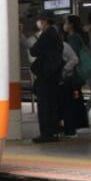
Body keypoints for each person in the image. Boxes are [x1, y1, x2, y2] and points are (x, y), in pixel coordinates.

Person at [29, 11, 64, 143]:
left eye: (40, 20)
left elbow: (34, 51)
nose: (39, 23)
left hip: (46, 75)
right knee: (52, 104)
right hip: (54, 75)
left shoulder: (47, 34)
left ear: (45, 21)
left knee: (44, 106)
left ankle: (46, 134)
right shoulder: (56, 34)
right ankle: (53, 132)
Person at [60, 15, 90, 137]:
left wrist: (65, 68)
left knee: (71, 100)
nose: (64, 25)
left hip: (73, 73)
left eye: (66, 22)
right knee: (75, 99)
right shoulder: (77, 36)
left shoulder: (72, 38)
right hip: (76, 73)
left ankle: (72, 127)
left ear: (71, 24)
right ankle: (76, 125)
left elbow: (73, 57)